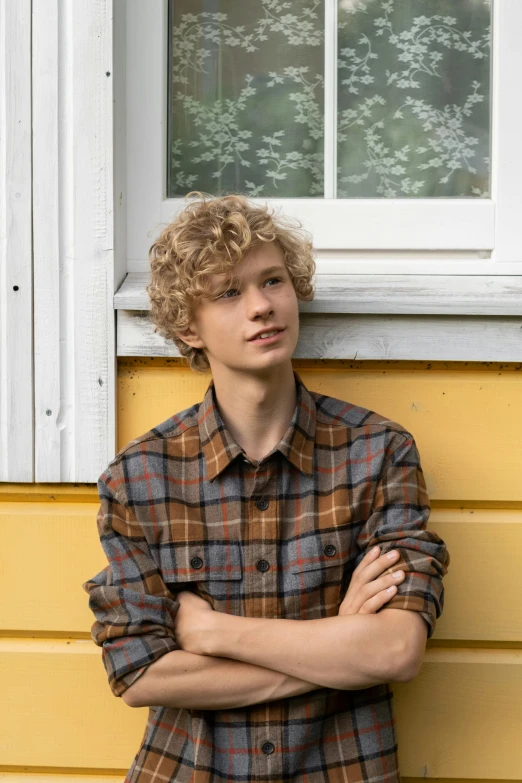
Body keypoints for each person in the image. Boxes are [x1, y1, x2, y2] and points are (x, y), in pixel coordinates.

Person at [83, 192, 450, 783]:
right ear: (188, 325)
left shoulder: (377, 453)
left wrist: (212, 634)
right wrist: (335, 651)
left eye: (273, 280)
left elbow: (395, 651)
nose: (261, 306)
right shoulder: (140, 476)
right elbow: (140, 675)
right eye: (229, 292)